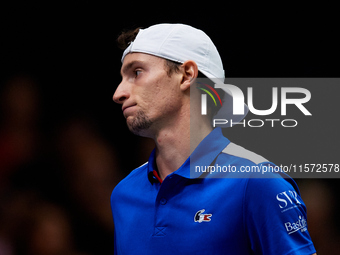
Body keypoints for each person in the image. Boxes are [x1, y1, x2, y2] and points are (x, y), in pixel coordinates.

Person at [111, 23, 316, 255]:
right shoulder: (123, 193)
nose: (118, 93)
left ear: (187, 75)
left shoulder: (257, 181)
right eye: (123, 77)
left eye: (136, 72)